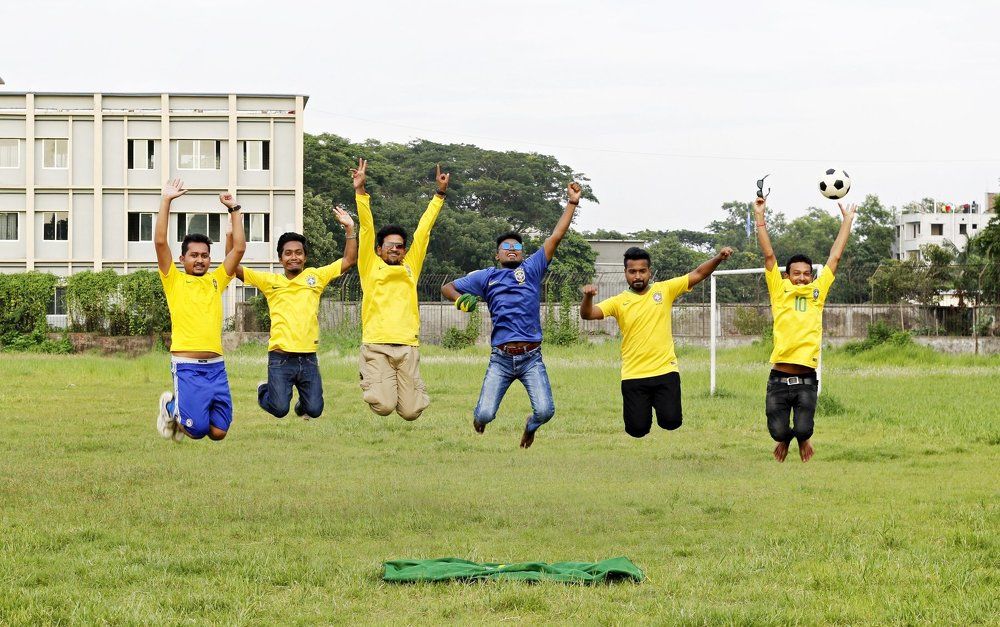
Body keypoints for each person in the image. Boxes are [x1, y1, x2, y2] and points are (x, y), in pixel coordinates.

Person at [441, 182, 583, 449]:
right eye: (506, 247)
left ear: (523, 253)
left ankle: (530, 427)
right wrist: (461, 301)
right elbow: (446, 287)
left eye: (516, 246)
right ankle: (479, 417)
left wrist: (572, 203)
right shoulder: (486, 276)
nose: (511, 249)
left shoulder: (532, 269)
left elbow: (555, 237)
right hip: (501, 359)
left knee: (545, 412)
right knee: (484, 415)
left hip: (531, 358)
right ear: (497, 254)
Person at [580, 246, 733, 438]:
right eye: (632, 271)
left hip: (665, 371)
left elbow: (699, 273)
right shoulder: (619, 301)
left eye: (642, 271)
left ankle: (661, 405)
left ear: (649, 272)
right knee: (637, 430)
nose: (637, 276)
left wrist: (718, 257)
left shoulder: (664, 290)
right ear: (625, 273)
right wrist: (587, 296)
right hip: (633, 375)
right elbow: (588, 314)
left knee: (671, 422)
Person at [225, 206, 358, 419]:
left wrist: (349, 229)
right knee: (279, 409)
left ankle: (303, 405)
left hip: (308, 358)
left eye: (298, 253)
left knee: (314, 410)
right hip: (280, 358)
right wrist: (230, 235)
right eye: (288, 253)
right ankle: (264, 390)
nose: (293, 257)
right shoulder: (270, 281)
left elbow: (348, 261)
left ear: (305, 258)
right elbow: (233, 267)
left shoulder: (316, 276)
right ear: (280, 259)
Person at [754, 196, 855, 462]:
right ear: (787, 276)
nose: (801, 277)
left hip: (807, 379)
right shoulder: (779, 290)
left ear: (812, 276)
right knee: (777, 432)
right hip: (778, 378)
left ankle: (802, 437)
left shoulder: (817, 293)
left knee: (804, 428)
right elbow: (768, 255)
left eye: (806, 273)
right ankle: (785, 440)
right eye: (796, 273)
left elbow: (835, 257)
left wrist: (846, 222)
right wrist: (760, 217)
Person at [353, 158, 449, 420]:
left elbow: (424, 231)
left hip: (407, 347)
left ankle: (402, 389)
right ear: (379, 249)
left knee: (410, 412)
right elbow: (366, 227)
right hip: (376, 346)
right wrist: (360, 192)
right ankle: (371, 378)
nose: (394, 249)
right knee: (384, 406)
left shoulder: (410, 266)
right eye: (389, 245)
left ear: (404, 250)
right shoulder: (369, 265)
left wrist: (439, 195)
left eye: (399, 246)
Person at [154, 179, 246, 442]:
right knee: (195, 431)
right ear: (182, 259)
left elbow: (238, 248)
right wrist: (166, 200)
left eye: (204, 255)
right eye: (193, 255)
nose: (199, 259)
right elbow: (161, 243)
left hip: (216, 366)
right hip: (187, 367)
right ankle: (170, 407)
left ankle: (180, 411)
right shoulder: (174, 279)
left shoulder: (217, 280)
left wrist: (234, 209)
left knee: (218, 432)